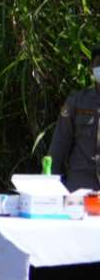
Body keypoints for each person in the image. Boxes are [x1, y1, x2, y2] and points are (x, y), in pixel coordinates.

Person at [48, 47, 100, 192]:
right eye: (98, 64)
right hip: (80, 186)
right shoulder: (76, 101)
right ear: (91, 68)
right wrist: (49, 183)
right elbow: (60, 143)